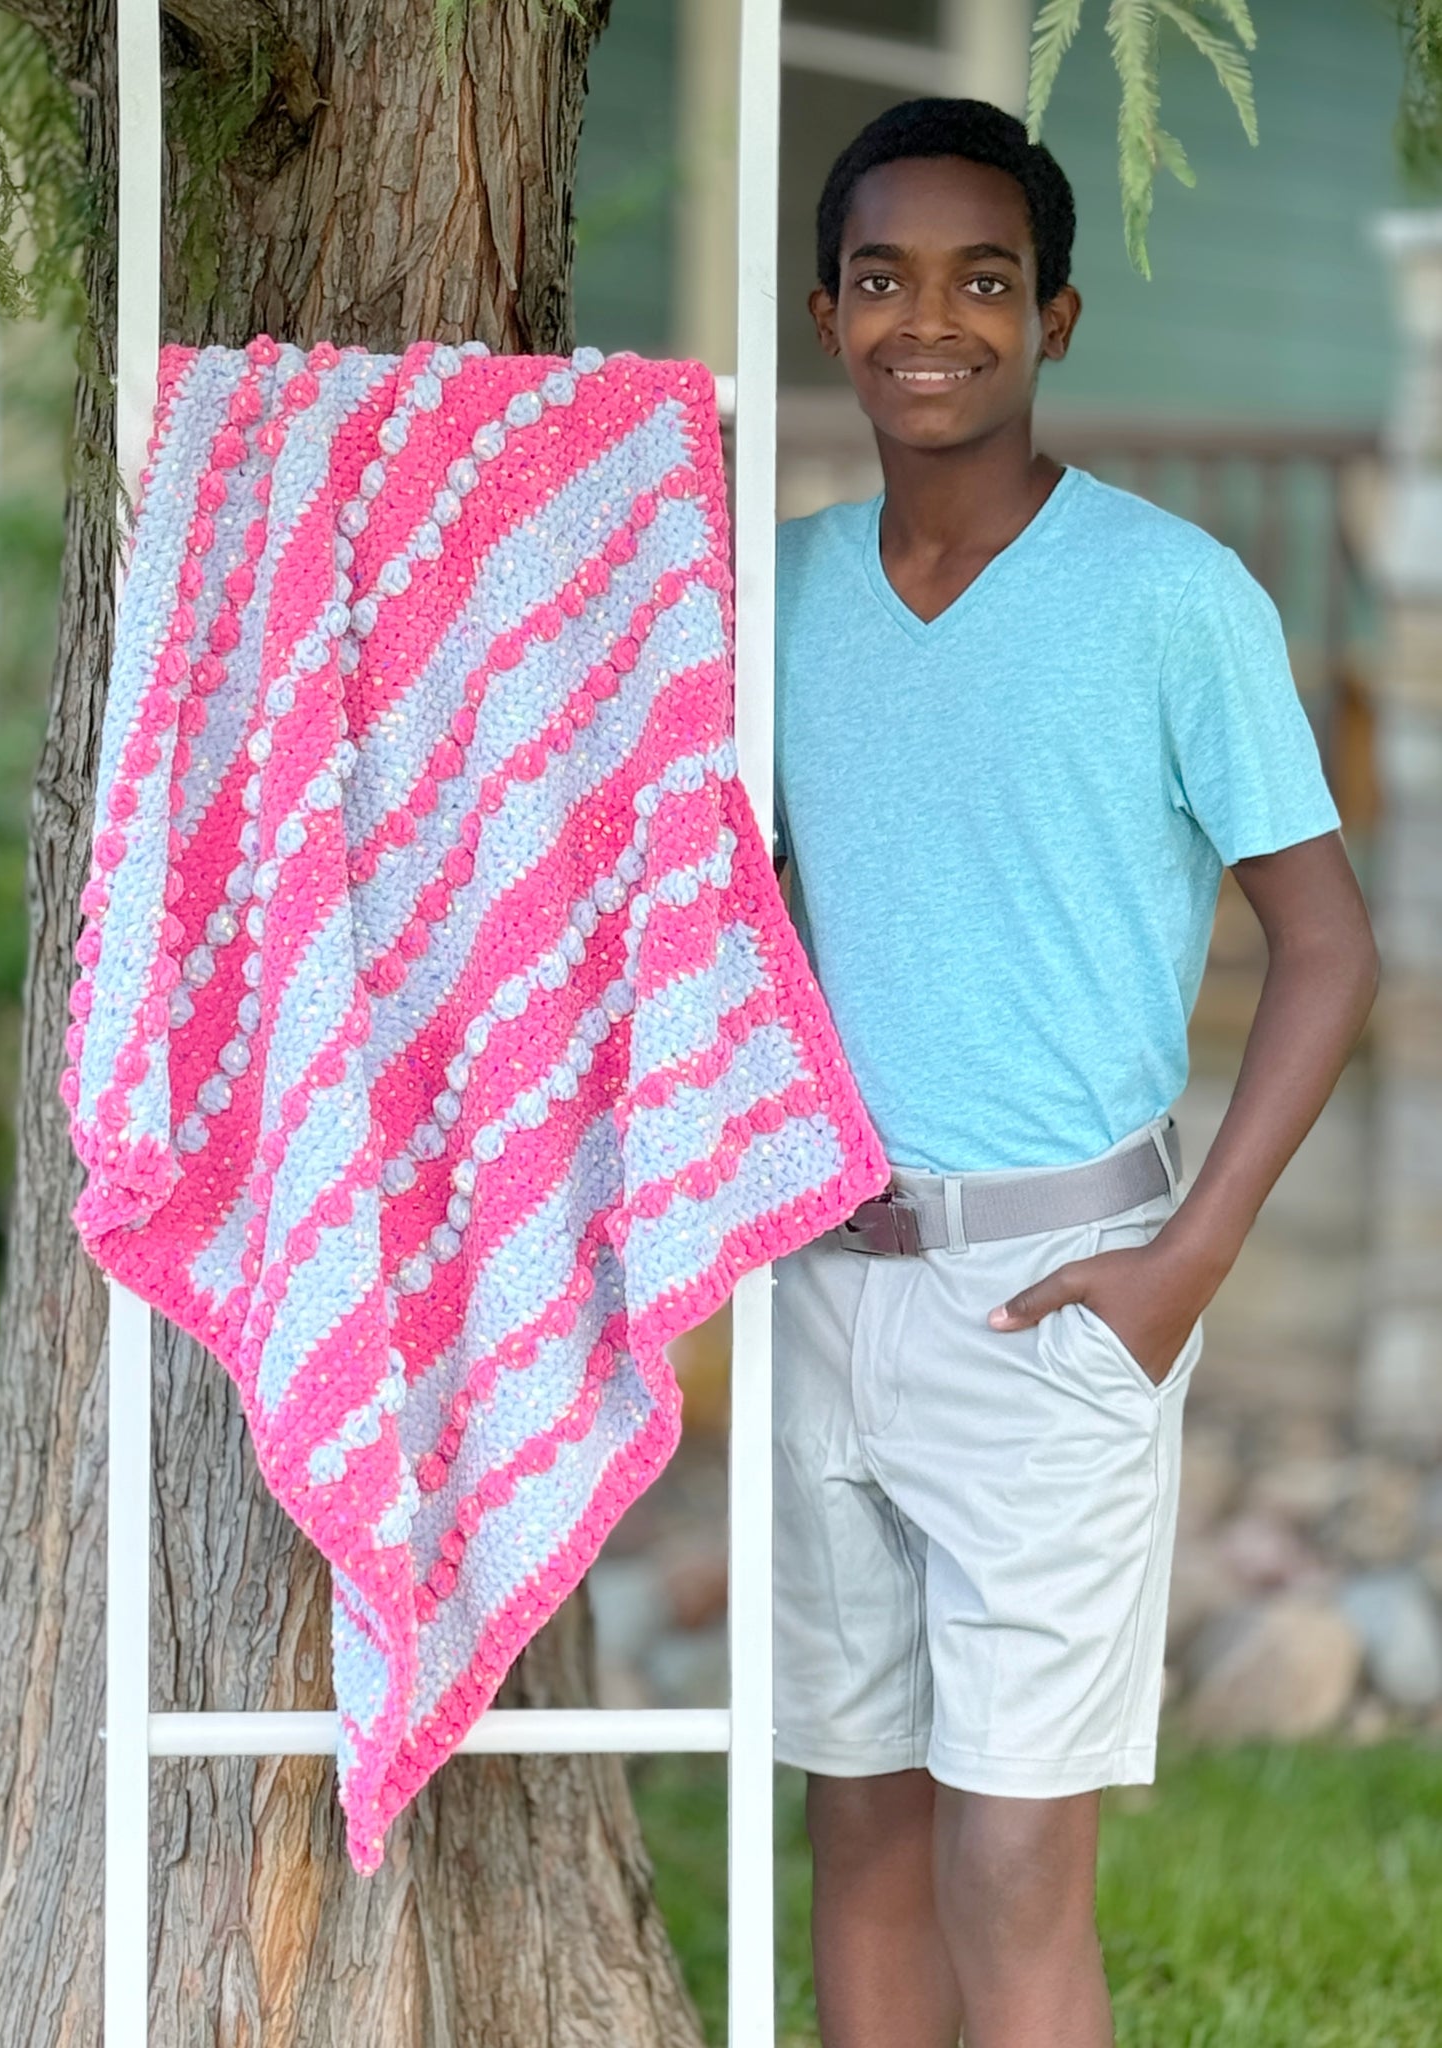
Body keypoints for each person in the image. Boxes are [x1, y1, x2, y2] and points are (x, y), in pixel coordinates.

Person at [769, 97, 1380, 2048]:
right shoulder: (773, 598)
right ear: (825, 313)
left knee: (1010, 1870)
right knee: (860, 1828)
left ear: (1053, 318)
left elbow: (1329, 944)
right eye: (881, 279)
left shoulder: (1169, 595)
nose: (926, 320)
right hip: (818, 1288)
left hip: (1056, 1298)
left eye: (981, 280)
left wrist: (1186, 1260)